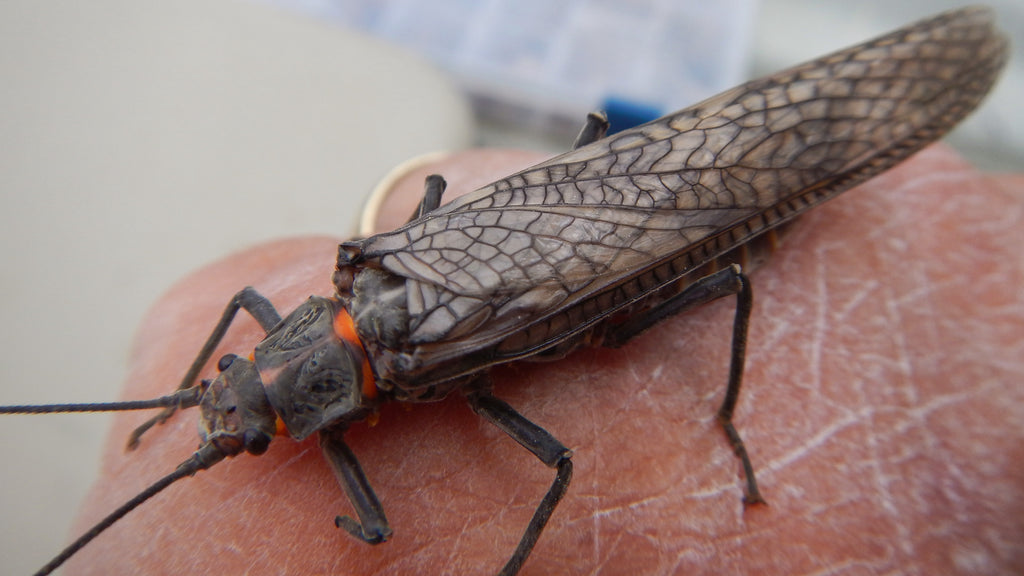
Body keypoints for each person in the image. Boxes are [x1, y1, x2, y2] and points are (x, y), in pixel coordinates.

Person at [62, 145, 1023, 575]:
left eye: (229, 398)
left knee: (725, 279)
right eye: (238, 403)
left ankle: (733, 390)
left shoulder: (387, 378)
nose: (230, 409)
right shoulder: (352, 290)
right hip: (594, 212)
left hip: (637, 266)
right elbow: (427, 192)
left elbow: (380, 524)